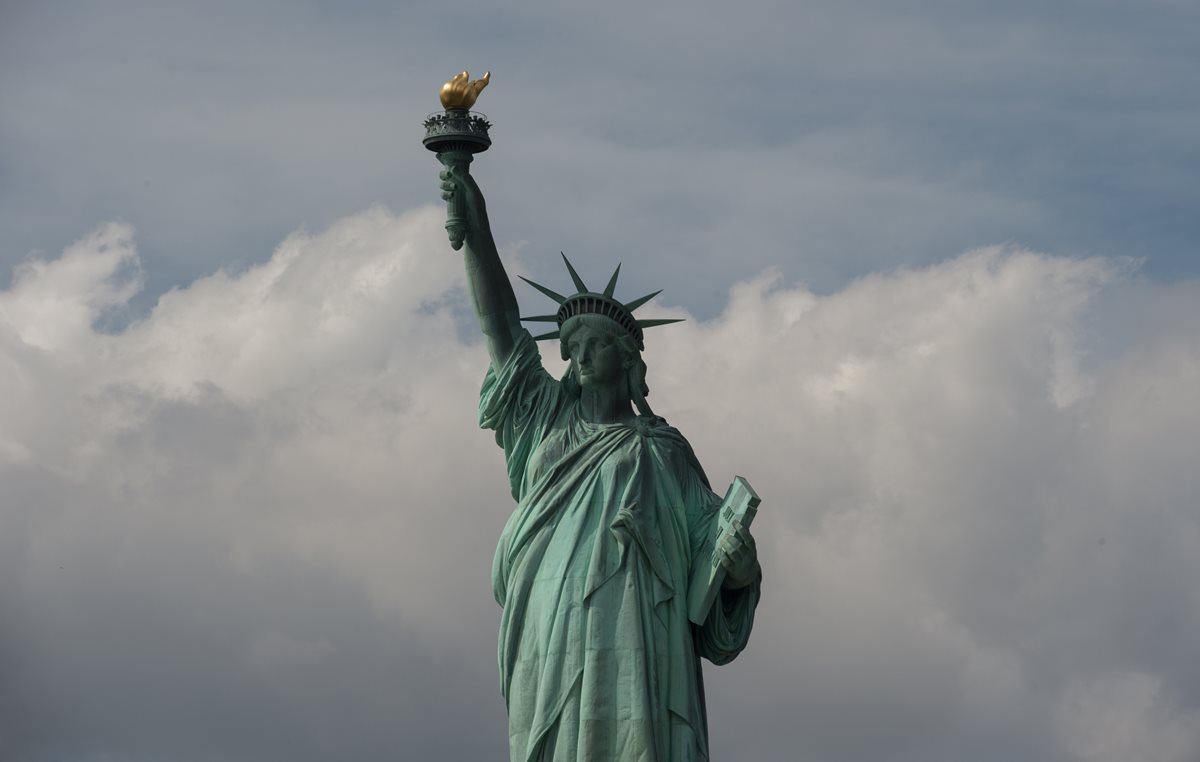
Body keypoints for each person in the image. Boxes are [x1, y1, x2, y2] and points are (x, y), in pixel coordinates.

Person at [439, 162, 761, 761]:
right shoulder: (544, 423)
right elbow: (502, 329)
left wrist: (739, 569)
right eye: (573, 348)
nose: (581, 357)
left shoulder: (663, 453)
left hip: (642, 630)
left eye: (597, 346)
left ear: (628, 360)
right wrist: (477, 231)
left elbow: (709, 552)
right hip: (552, 617)